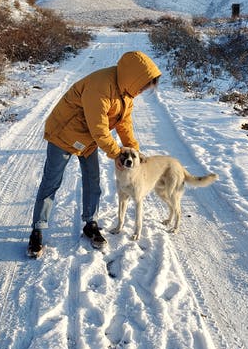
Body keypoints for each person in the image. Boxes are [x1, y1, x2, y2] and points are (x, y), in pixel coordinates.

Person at [28, 50, 162, 256]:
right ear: (135, 78)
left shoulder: (127, 92)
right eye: (144, 86)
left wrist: (134, 150)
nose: (144, 90)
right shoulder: (100, 87)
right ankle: (37, 229)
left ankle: (90, 224)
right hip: (63, 133)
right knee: (51, 181)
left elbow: (124, 123)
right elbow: (99, 128)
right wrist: (117, 153)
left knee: (93, 180)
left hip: (86, 139)